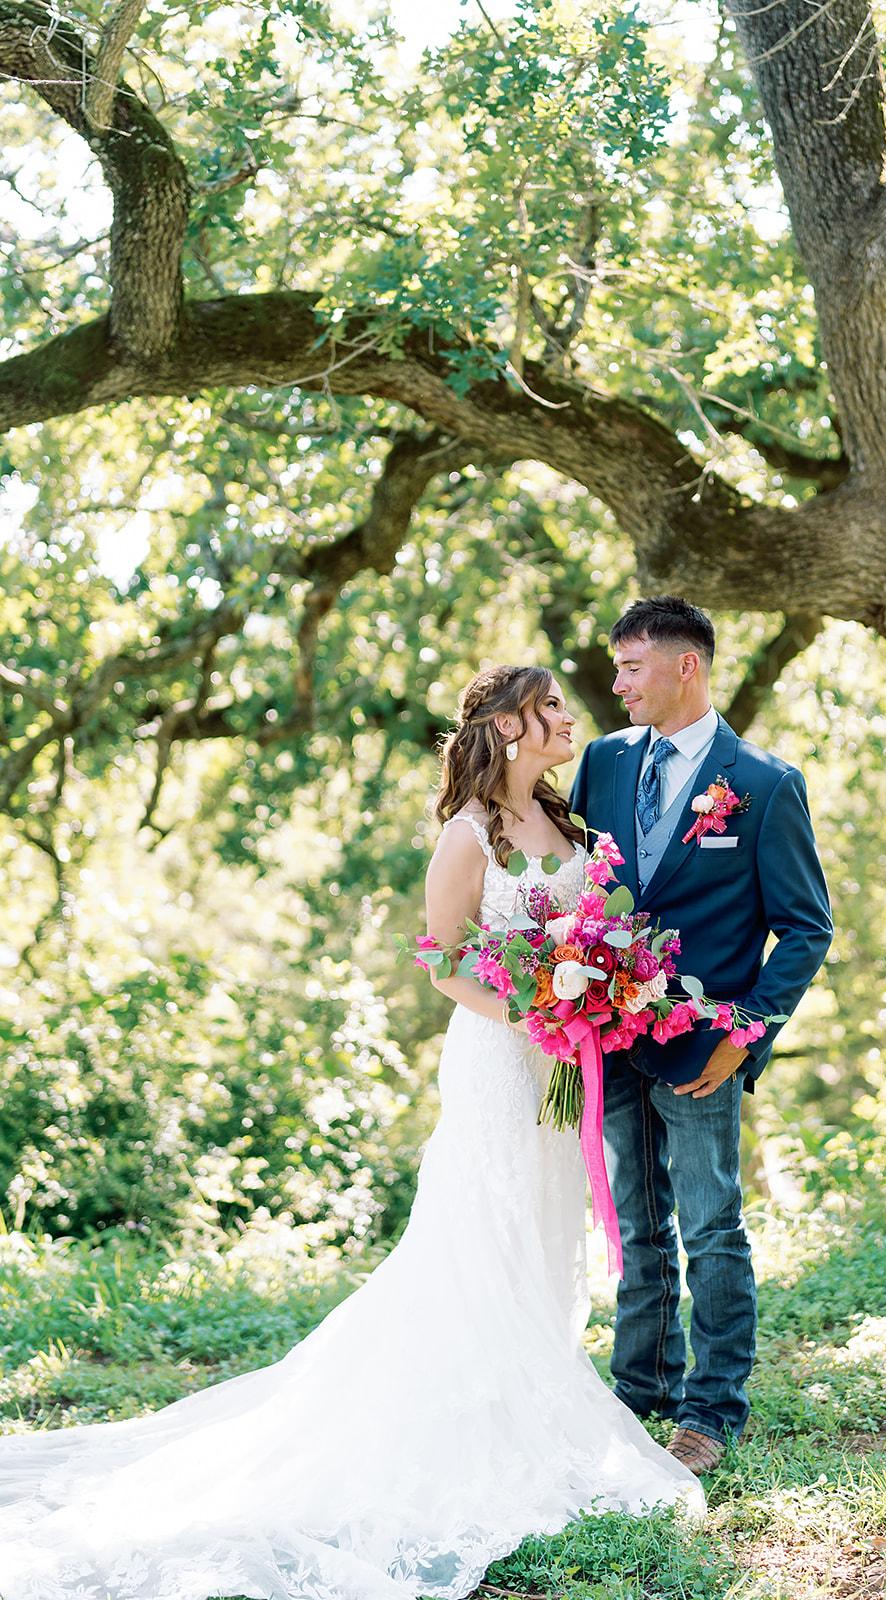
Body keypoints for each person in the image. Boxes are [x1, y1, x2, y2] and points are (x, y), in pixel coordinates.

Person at [0, 664, 701, 1600]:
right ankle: (474, 1416)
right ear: (507, 726)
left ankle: (531, 1390)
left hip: (559, 1063)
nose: (570, 718)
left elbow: (589, 929)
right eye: (550, 708)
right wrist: (535, 1012)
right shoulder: (466, 835)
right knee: (485, 1224)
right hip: (501, 1057)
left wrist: (595, 995)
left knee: (542, 1221)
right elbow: (444, 964)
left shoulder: (567, 823)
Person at [571, 597, 833, 1476]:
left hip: (703, 1051)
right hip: (608, 1039)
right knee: (637, 1226)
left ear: (686, 665)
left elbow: (805, 928)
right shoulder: (604, 762)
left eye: (632, 667)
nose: (618, 685)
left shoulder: (764, 784)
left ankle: (712, 1410)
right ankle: (639, 1389)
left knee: (712, 1226)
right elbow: (582, 889)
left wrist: (745, 1035)